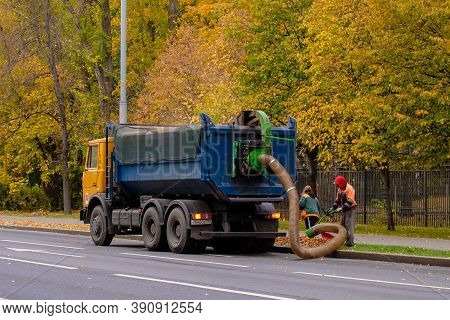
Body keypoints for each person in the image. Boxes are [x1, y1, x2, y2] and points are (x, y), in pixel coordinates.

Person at [331, 175, 357, 246]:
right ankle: (341, 241)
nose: (337, 186)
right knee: (342, 226)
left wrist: (341, 208)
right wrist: (333, 207)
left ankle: (350, 243)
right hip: (345, 210)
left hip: (351, 210)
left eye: (337, 184)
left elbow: (350, 201)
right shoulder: (340, 189)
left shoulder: (350, 189)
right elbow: (337, 200)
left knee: (349, 226)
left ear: (341, 183)